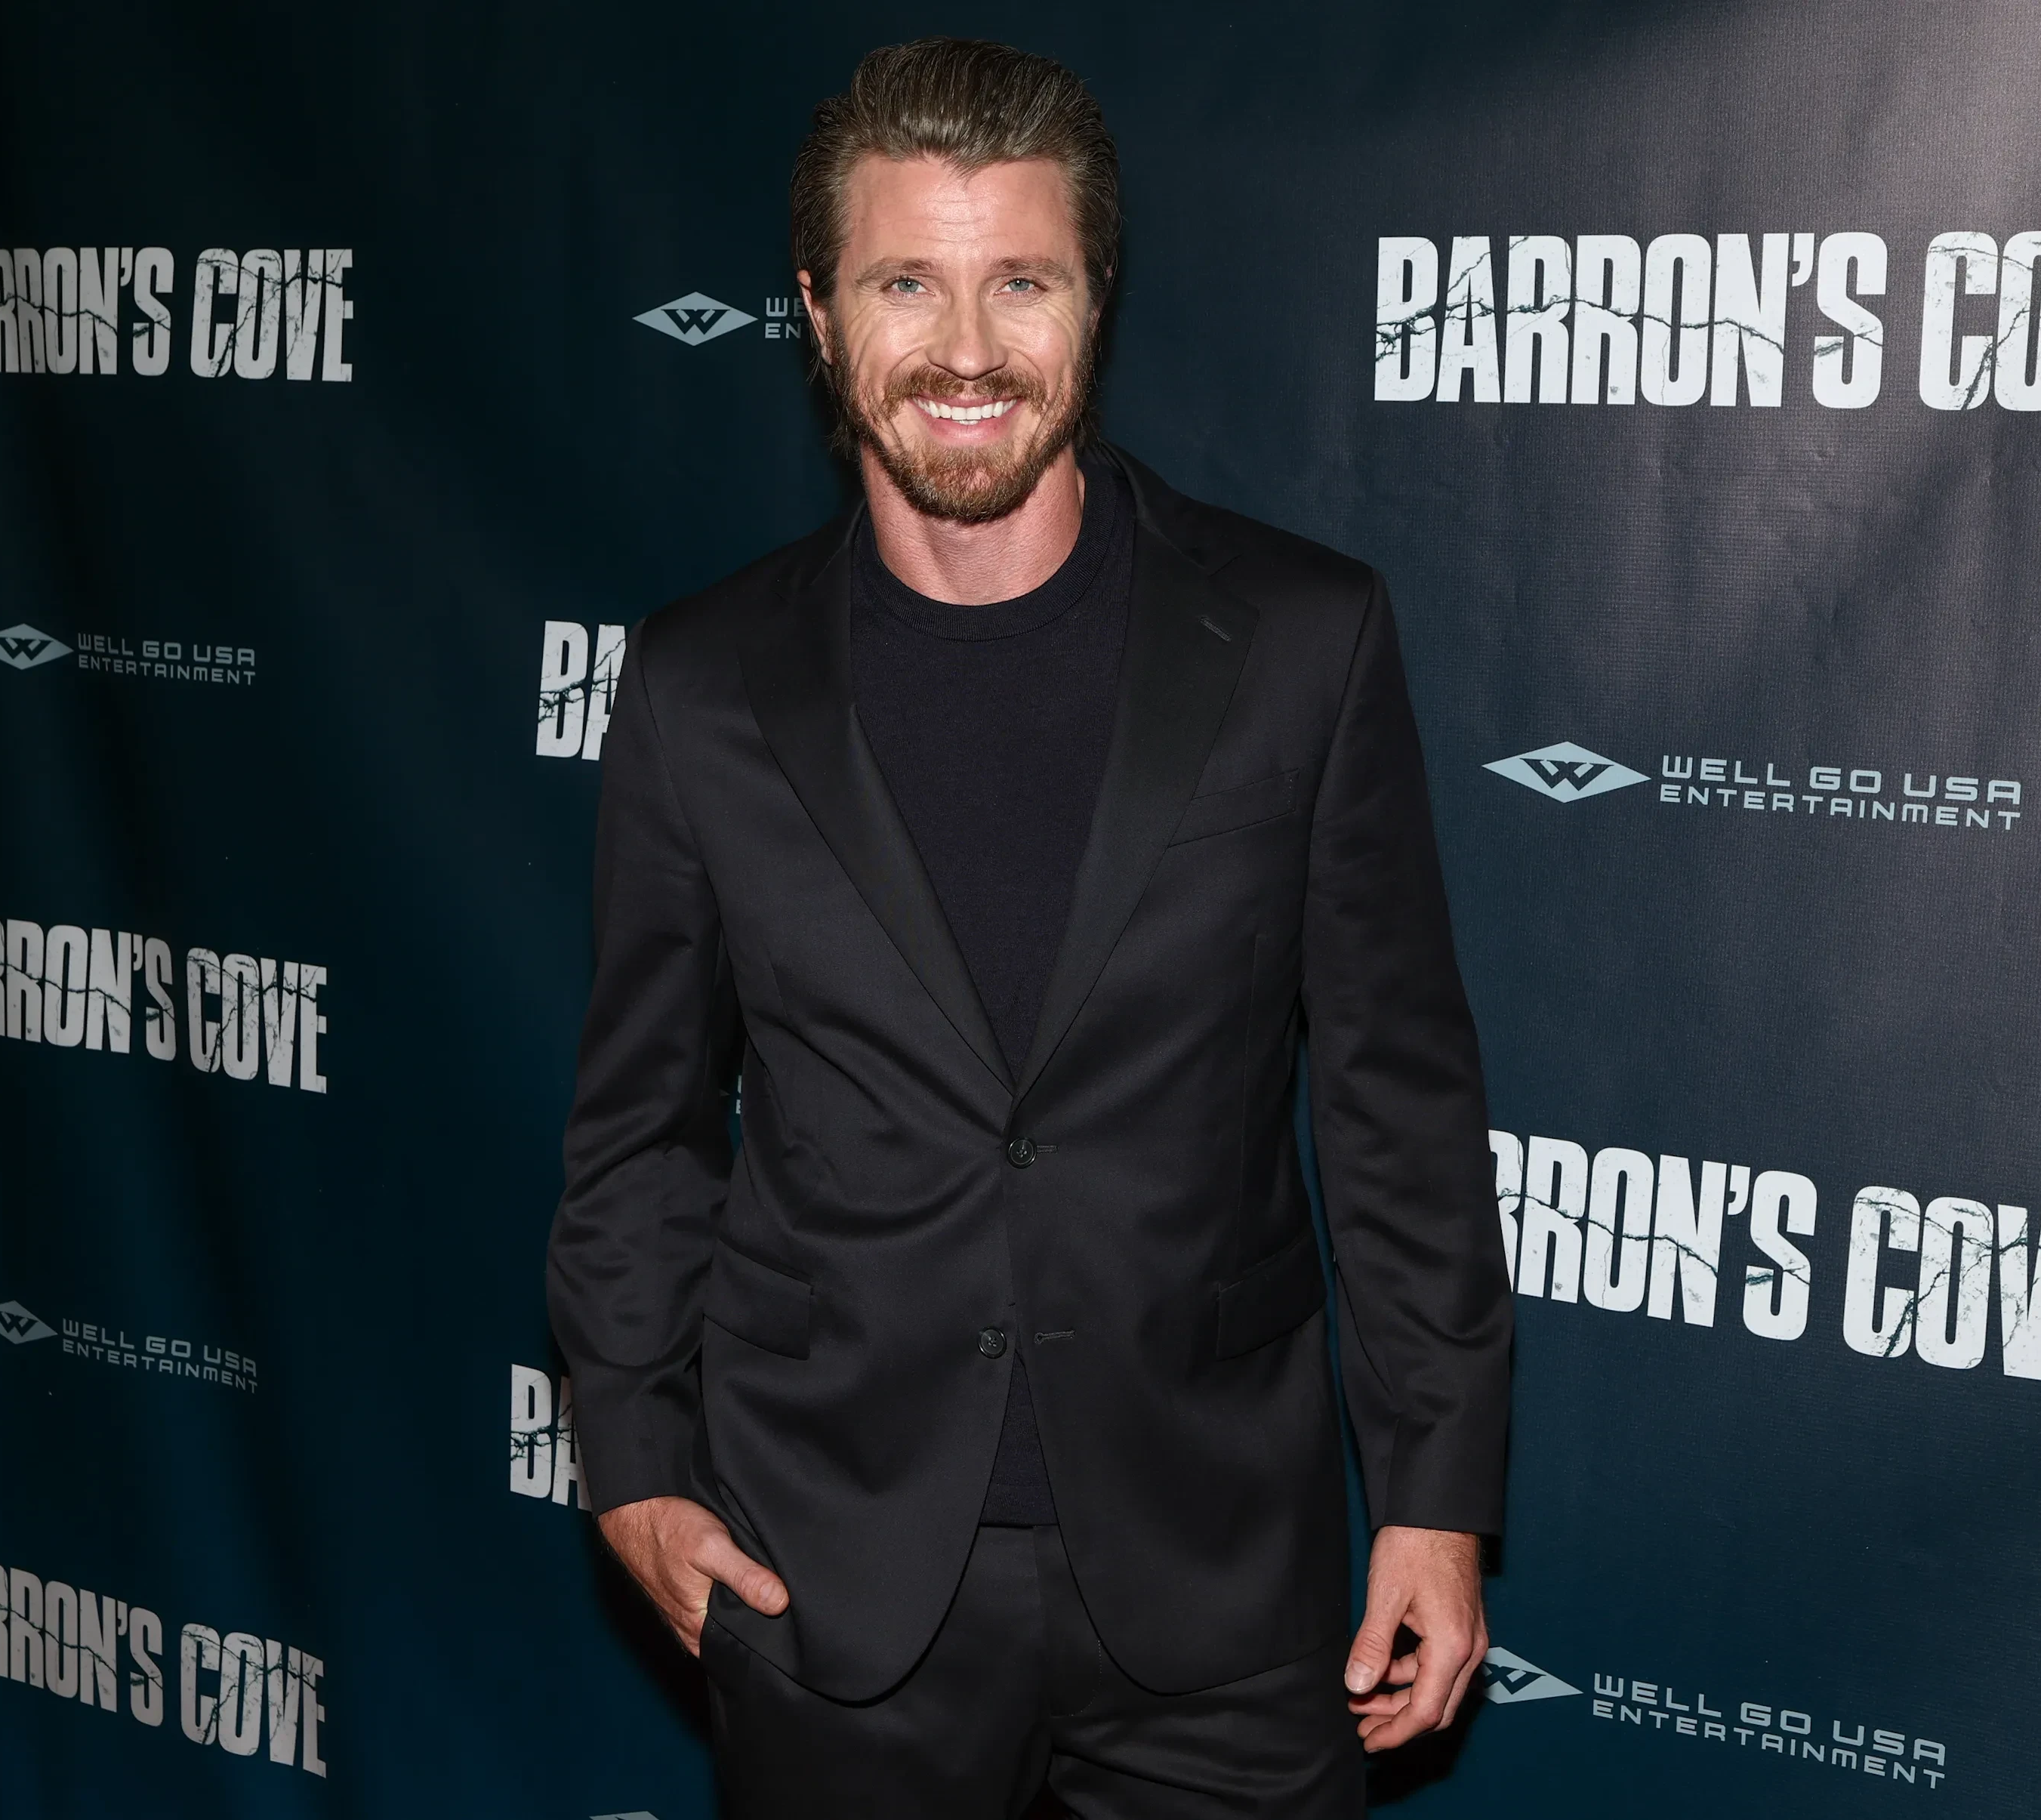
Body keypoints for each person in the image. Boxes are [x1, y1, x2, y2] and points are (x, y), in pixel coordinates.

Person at [547, 35, 1513, 1819]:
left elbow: (1396, 1105)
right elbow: (640, 1126)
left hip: (1221, 1575)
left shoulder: (1302, 642)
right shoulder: (701, 685)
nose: (967, 348)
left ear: (1094, 300)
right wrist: (630, 1459)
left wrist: (1438, 1498)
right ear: (816, 312)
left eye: (1021, 281)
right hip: (825, 1569)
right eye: (905, 282)